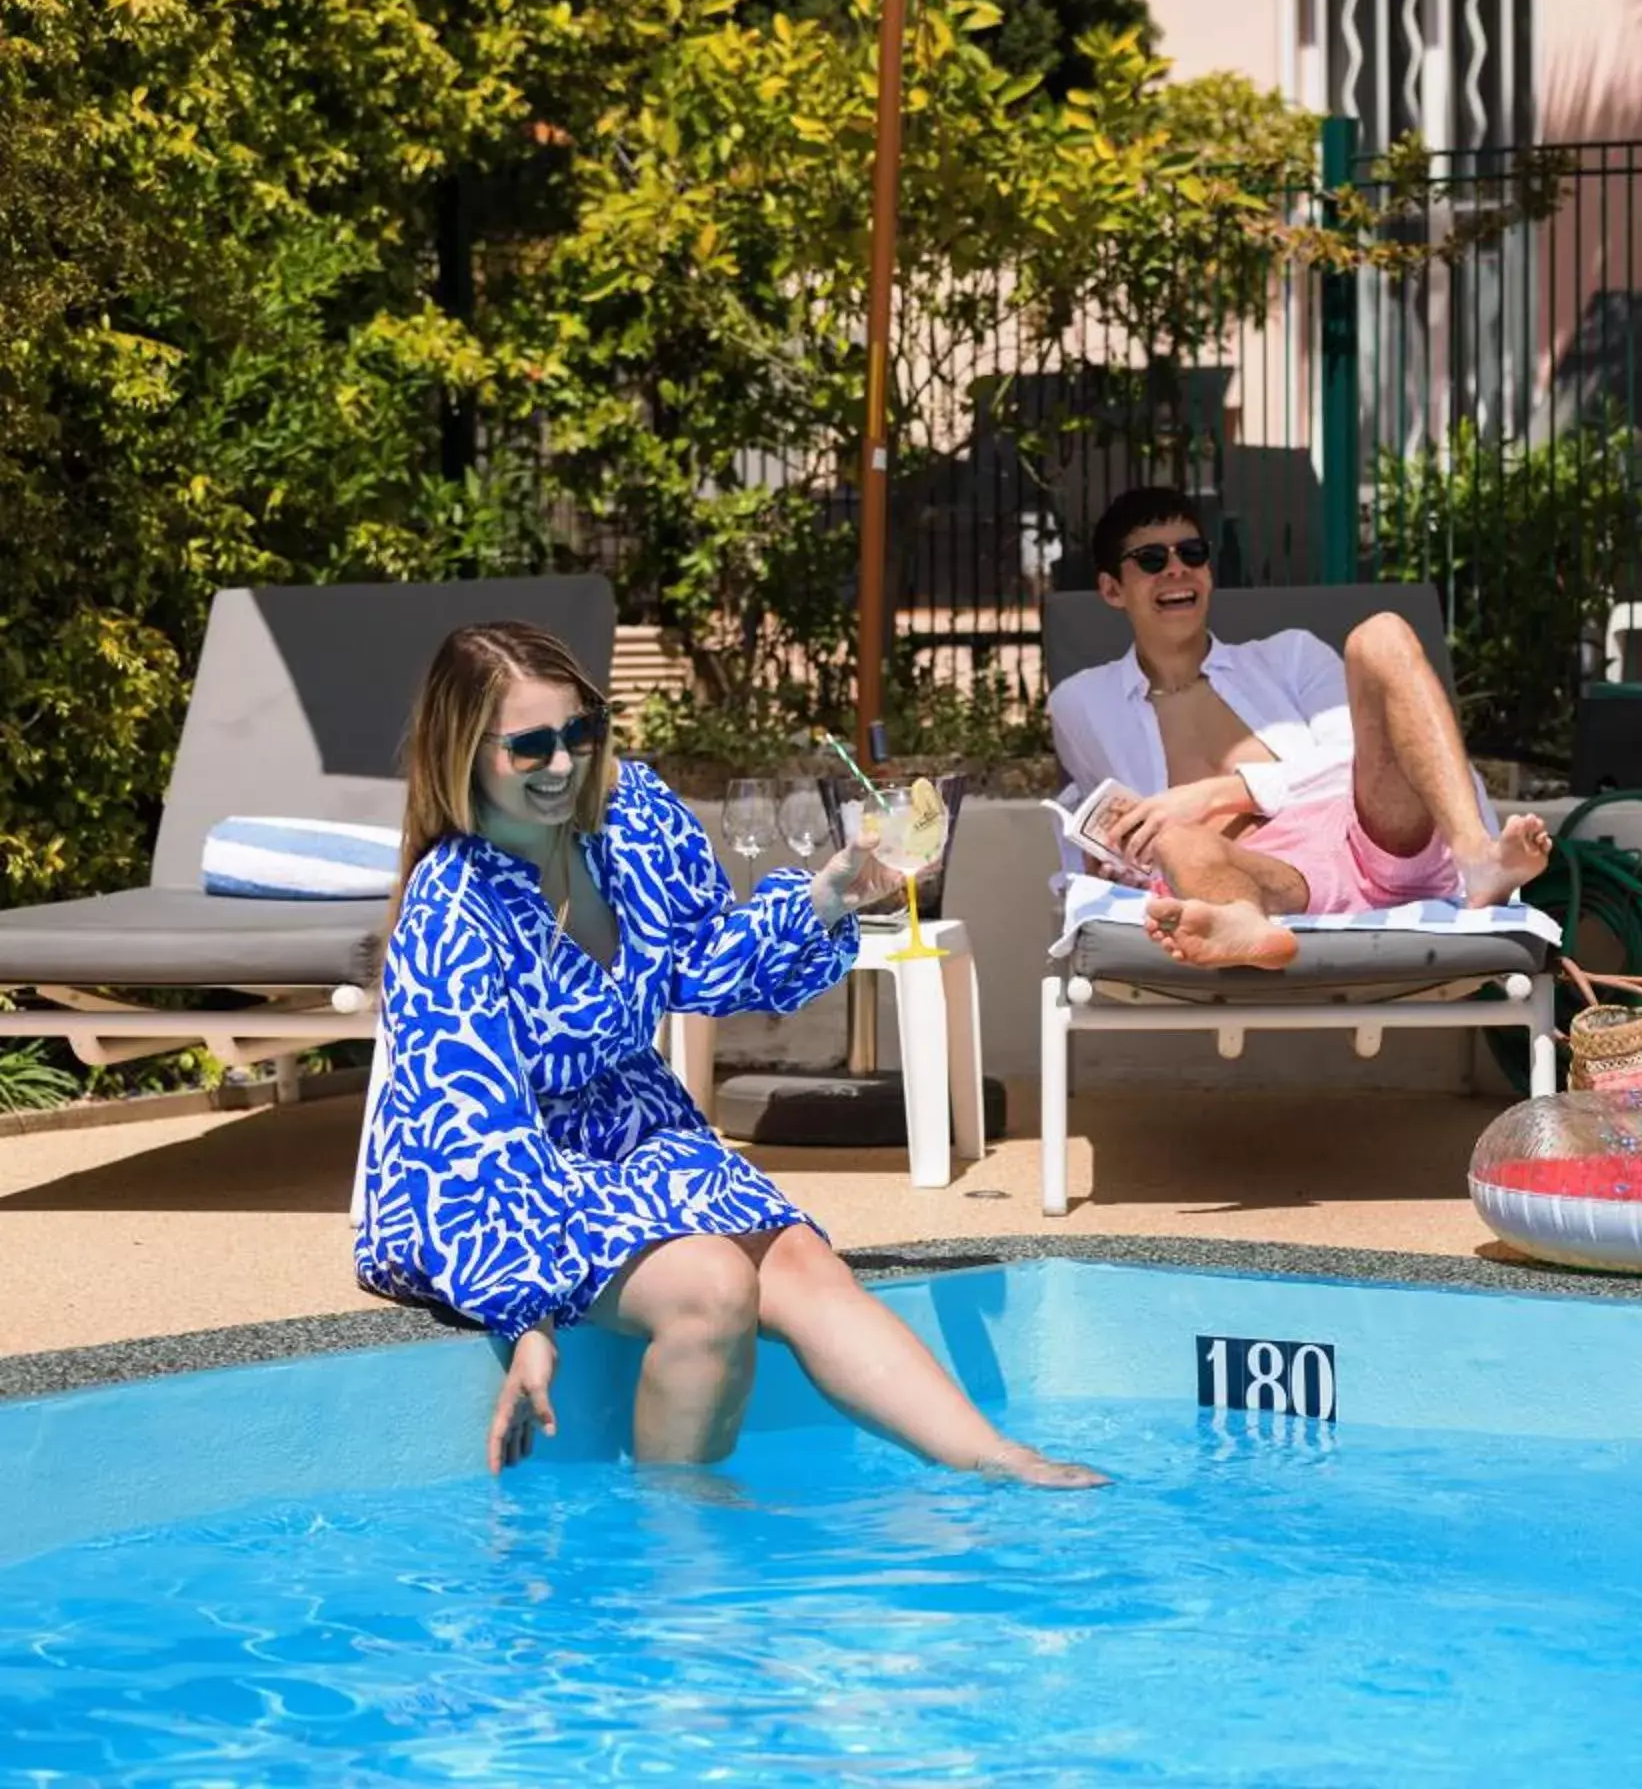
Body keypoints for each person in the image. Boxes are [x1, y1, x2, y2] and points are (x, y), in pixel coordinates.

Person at [354, 621, 1108, 1489]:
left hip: (636, 1134)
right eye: (530, 746)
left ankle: (1002, 1461)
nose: (563, 765)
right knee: (713, 1289)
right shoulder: (451, 912)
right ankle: (679, 1560)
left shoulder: (629, 812)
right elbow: (472, 1134)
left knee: (801, 1263)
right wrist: (525, 1315)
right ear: (464, 752)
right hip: (496, 1182)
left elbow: (706, 960)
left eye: (580, 732)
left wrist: (831, 892)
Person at [1046, 485, 1553, 971]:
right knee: (1176, 841)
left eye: (1192, 553)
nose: (1176, 569)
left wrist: (1210, 796)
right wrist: (1102, 865)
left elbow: (1359, 759)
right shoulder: (1082, 703)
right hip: (1261, 877)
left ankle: (1477, 857)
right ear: (1113, 589)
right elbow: (1088, 816)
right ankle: (1243, 925)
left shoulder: (1290, 656)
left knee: (1381, 635)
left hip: (1366, 842)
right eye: (1152, 560)